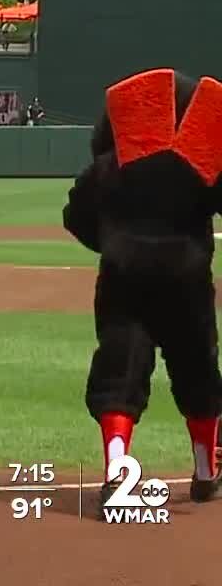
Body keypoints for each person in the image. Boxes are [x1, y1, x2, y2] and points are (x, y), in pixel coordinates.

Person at [62, 68, 222, 515]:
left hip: (123, 280)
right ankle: (206, 472)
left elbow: (75, 217)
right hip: (187, 280)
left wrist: (113, 243)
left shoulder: (107, 167)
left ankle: (117, 472)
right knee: (198, 371)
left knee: (119, 369)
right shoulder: (195, 163)